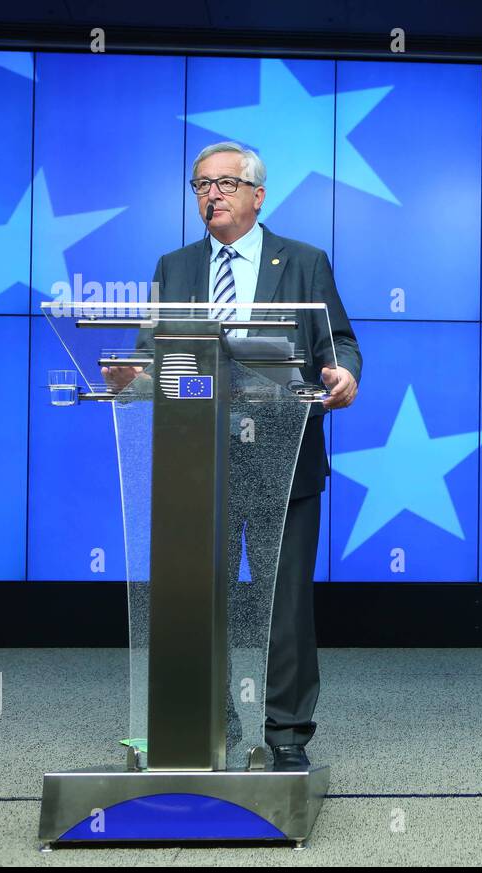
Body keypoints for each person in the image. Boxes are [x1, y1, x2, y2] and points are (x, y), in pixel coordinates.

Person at [105, 142, 361, 771]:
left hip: (286, 457)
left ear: (256, 194)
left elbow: (341, 343)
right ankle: (210, 725)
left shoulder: (303, 262)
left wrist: (344, 375)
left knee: (286, 604)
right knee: (201, 600)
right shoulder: (176, 266)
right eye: (199, 185)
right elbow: (154, 354)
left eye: (222, 183)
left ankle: (287, 735)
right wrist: (133, 372)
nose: (210, 195)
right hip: (199, 462)